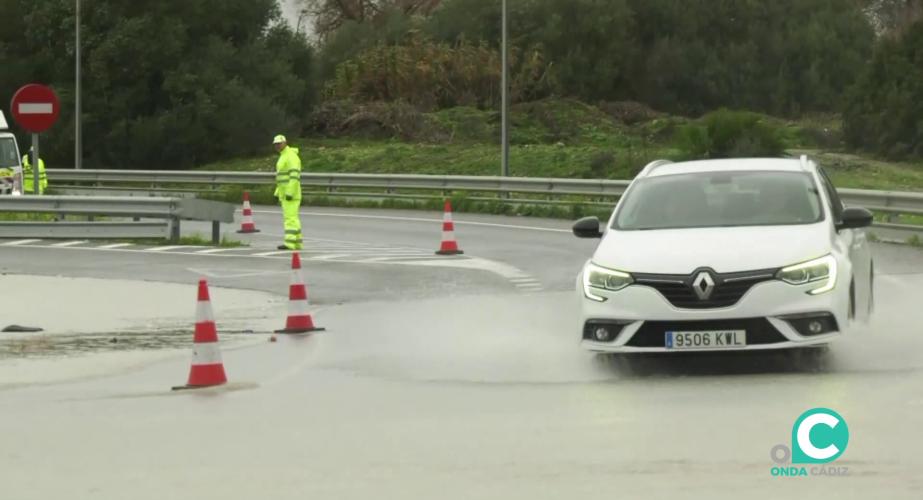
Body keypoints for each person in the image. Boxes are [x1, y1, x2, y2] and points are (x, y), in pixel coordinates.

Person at [273, 134, 302, 250]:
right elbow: (281, 177)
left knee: (290, 218)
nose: (277, 146)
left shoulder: (290, 156)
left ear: (285, 143)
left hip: (291, 194)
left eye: (279, 143)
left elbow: (294, 176)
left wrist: (289, 193)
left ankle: (290, 243)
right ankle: (297, 242)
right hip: (285, 193)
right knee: (293, 218)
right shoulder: (284, 155)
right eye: (275, 144)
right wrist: (277, 192)